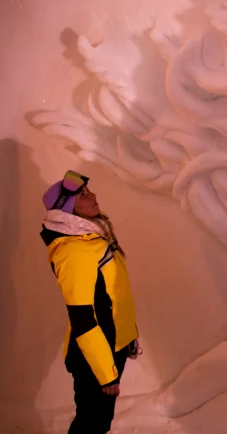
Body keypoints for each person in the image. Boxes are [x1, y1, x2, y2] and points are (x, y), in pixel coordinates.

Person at [40, 170, 141, 433]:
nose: (93, 196)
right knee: (91, 424)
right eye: (83, 194)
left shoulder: (92, 239)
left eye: (88, 191)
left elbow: (113, 297)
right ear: (68, 207)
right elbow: (82, 317)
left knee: (98, 422)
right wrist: (104, 371)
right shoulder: (73, 250)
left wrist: (128, 339)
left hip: (111, 344)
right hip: (93, 355)